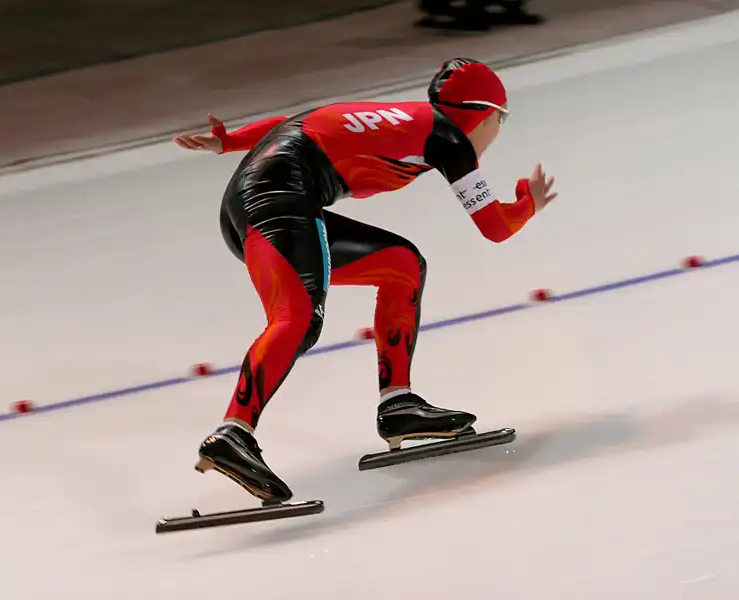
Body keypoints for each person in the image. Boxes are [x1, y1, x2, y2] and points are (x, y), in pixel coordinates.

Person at [173, 58, 556, 504]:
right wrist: (528, 204)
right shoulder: (448, 139)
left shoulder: (404, 118)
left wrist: (231, 142)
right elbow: (495, 227)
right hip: (278, 198)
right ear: (483, 113)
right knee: (296, 319)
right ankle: (232, 433)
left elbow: (298, 123)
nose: (498, 129)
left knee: (401, 265)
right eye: (501, 119)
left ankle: (399, 404)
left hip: (264, 197)